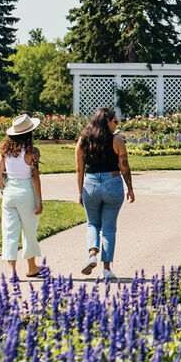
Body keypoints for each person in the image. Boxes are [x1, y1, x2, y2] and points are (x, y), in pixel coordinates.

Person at [75, 108, 134, 280]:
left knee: (92, 223)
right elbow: (124, 167)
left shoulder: (83, 141)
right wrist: (130, 187)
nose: (116, 124)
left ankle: (92, 253)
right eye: (115, 121)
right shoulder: (117, 141)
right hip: (112, 183)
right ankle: (106, 269)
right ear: (107, 121)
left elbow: (79, 169)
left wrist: (80, 191)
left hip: (90, 184)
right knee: (109, 228)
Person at [0, 114, 45, 279]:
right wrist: (39, 201)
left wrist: (4, 189)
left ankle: (12, 271)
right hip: (26, 193)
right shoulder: (31, 152)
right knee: (29, 230)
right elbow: (34, 177)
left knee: (9, 231)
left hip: (9, 193)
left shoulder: (4, 150)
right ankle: (31, 267)